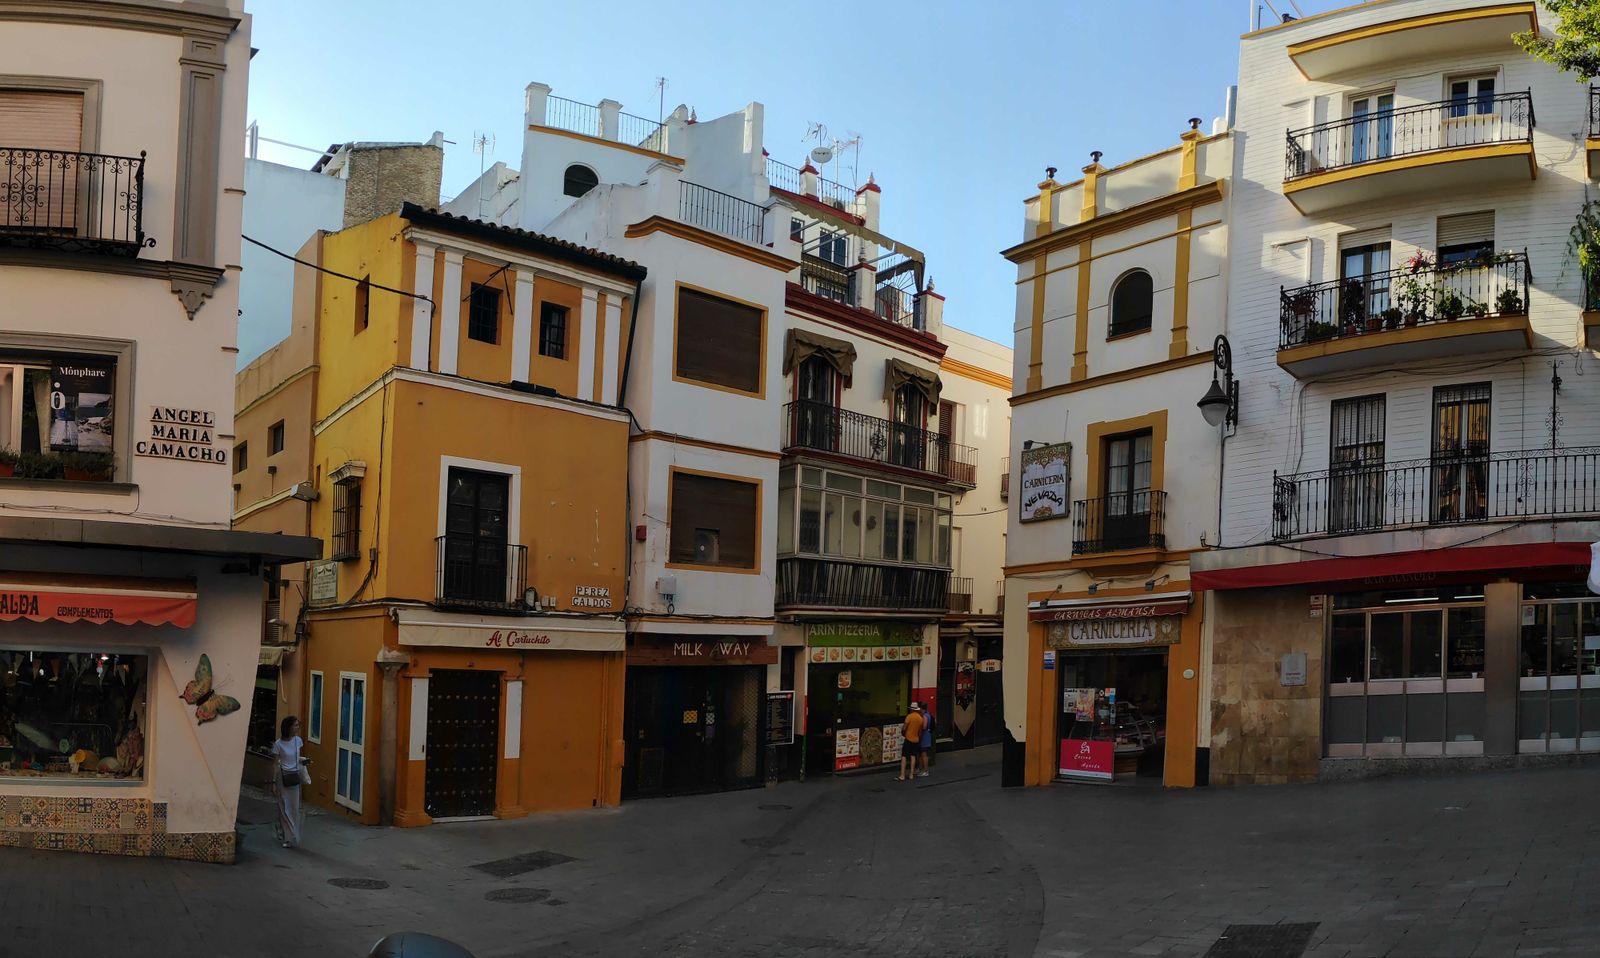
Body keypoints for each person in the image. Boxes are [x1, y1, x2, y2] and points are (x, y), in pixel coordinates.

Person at [272, 715, 305, 848]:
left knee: (294, 807)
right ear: (288, 727)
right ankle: (287, 837)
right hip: (282, 777)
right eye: (295, 725)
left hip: (294, 777)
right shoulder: (278, 744)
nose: (297, 727)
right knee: (284, 807)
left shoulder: (298, 741)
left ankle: (286, 831)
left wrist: (304, 760)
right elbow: (275, 764)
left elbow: (296, 758)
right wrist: (273, 782)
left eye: (298, 725)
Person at [898, 701, 925, 781]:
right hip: (916, 739)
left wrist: (903, 733)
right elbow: (920, 731)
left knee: (904, 756)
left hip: (908, 738)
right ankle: (911, 774)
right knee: (913, 756)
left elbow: (904, 728)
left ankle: (902, 775)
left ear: (911, 709)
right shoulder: (920, 718)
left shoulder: (909, 717)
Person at [917, 703, 934, 777]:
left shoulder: (925, 716)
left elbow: (924, 727)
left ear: (922, 708)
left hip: (924, 737)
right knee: (922, 753)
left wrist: (919, 728)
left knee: (924, 754)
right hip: (927, 736)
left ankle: (925, 770)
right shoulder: (928, 714)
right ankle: (921, 769)